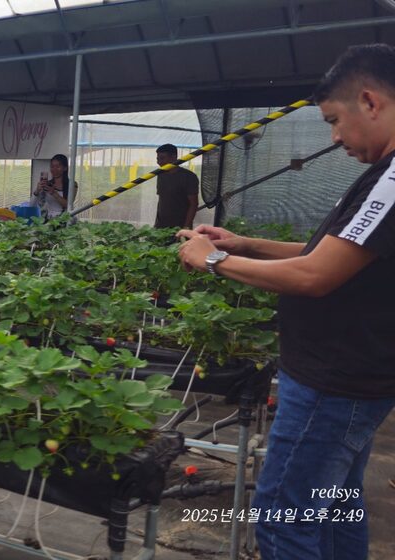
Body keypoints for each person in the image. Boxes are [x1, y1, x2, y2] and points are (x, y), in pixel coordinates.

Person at [176, 44, 395, 560]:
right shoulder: (382, 178)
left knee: (283, 522)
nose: (335, 138)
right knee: (335, 506)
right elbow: (338, 255)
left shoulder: (392, 181)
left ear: (369, 101)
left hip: (332, 386)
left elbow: (316, 275)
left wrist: (212, 261)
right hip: (349, 383)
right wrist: (243, 245)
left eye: (334, 121)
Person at [154, 143, 199, 229]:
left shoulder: (189, 177)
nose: (159, 162)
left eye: (162, 158)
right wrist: (157, 223)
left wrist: (186, 226)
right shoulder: (160, 174)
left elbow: (194, 204)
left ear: (173, 157)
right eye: (158, 159)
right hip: (161, 225)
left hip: (179, 226)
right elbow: (162, 200)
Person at [33, 154, 74, 219]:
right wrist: (37, 191)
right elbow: (33, 205)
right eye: (52, 166)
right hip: (49, 220)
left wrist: (54, 193)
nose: (54, 169)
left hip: (65, 220)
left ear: (65, 168)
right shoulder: (47, 184)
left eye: (57, 166)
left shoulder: (72, 185)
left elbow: (68, 205)